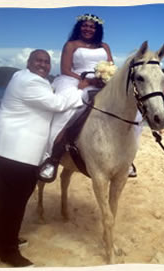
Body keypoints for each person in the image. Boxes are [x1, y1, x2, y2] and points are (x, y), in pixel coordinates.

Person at [0, 49, 82, 267]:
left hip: (5, 149)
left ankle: (3, 238)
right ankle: (7, 251)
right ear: (29, 62)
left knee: (4, 200)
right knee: (14, 202)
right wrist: (80, 88)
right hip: (16, 152)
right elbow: (57, 104)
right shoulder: (31, 82)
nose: (43, 65)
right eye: (38, 60)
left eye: (47, 62)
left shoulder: (19, 76)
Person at [38, 13, 115, 182]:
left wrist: (105, 78)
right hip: (77, 80)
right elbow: (65, 69)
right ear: (79, 27)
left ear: (97, 29)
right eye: (85, 25)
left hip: (101, 82)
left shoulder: (105, 46)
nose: (88, 29)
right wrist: (86, 80)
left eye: (92, 26)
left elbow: (111, 66)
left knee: (127, 109)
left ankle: (125, 158)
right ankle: (53, 157)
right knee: (70, 108)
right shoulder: (71, 45)